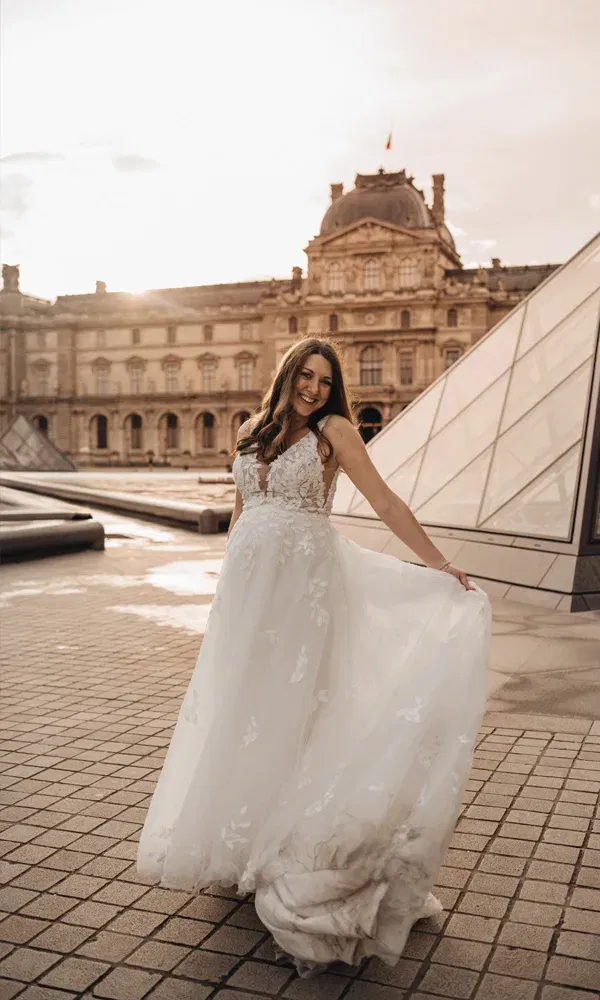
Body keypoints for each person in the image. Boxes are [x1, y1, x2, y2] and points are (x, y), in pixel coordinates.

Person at [137, 338, 491, 976]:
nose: (314, 387)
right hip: (251, 595)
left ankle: (282, 843)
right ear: (288, 373)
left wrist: (438, 563)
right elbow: (244, 513)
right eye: (306, 374)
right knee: (246, 712)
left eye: (325, 380)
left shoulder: (334, 432)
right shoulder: (250, 430)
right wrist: (230, 590)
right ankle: (243, 838)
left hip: (306, 591)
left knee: (295, 711)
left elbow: (383, 501)